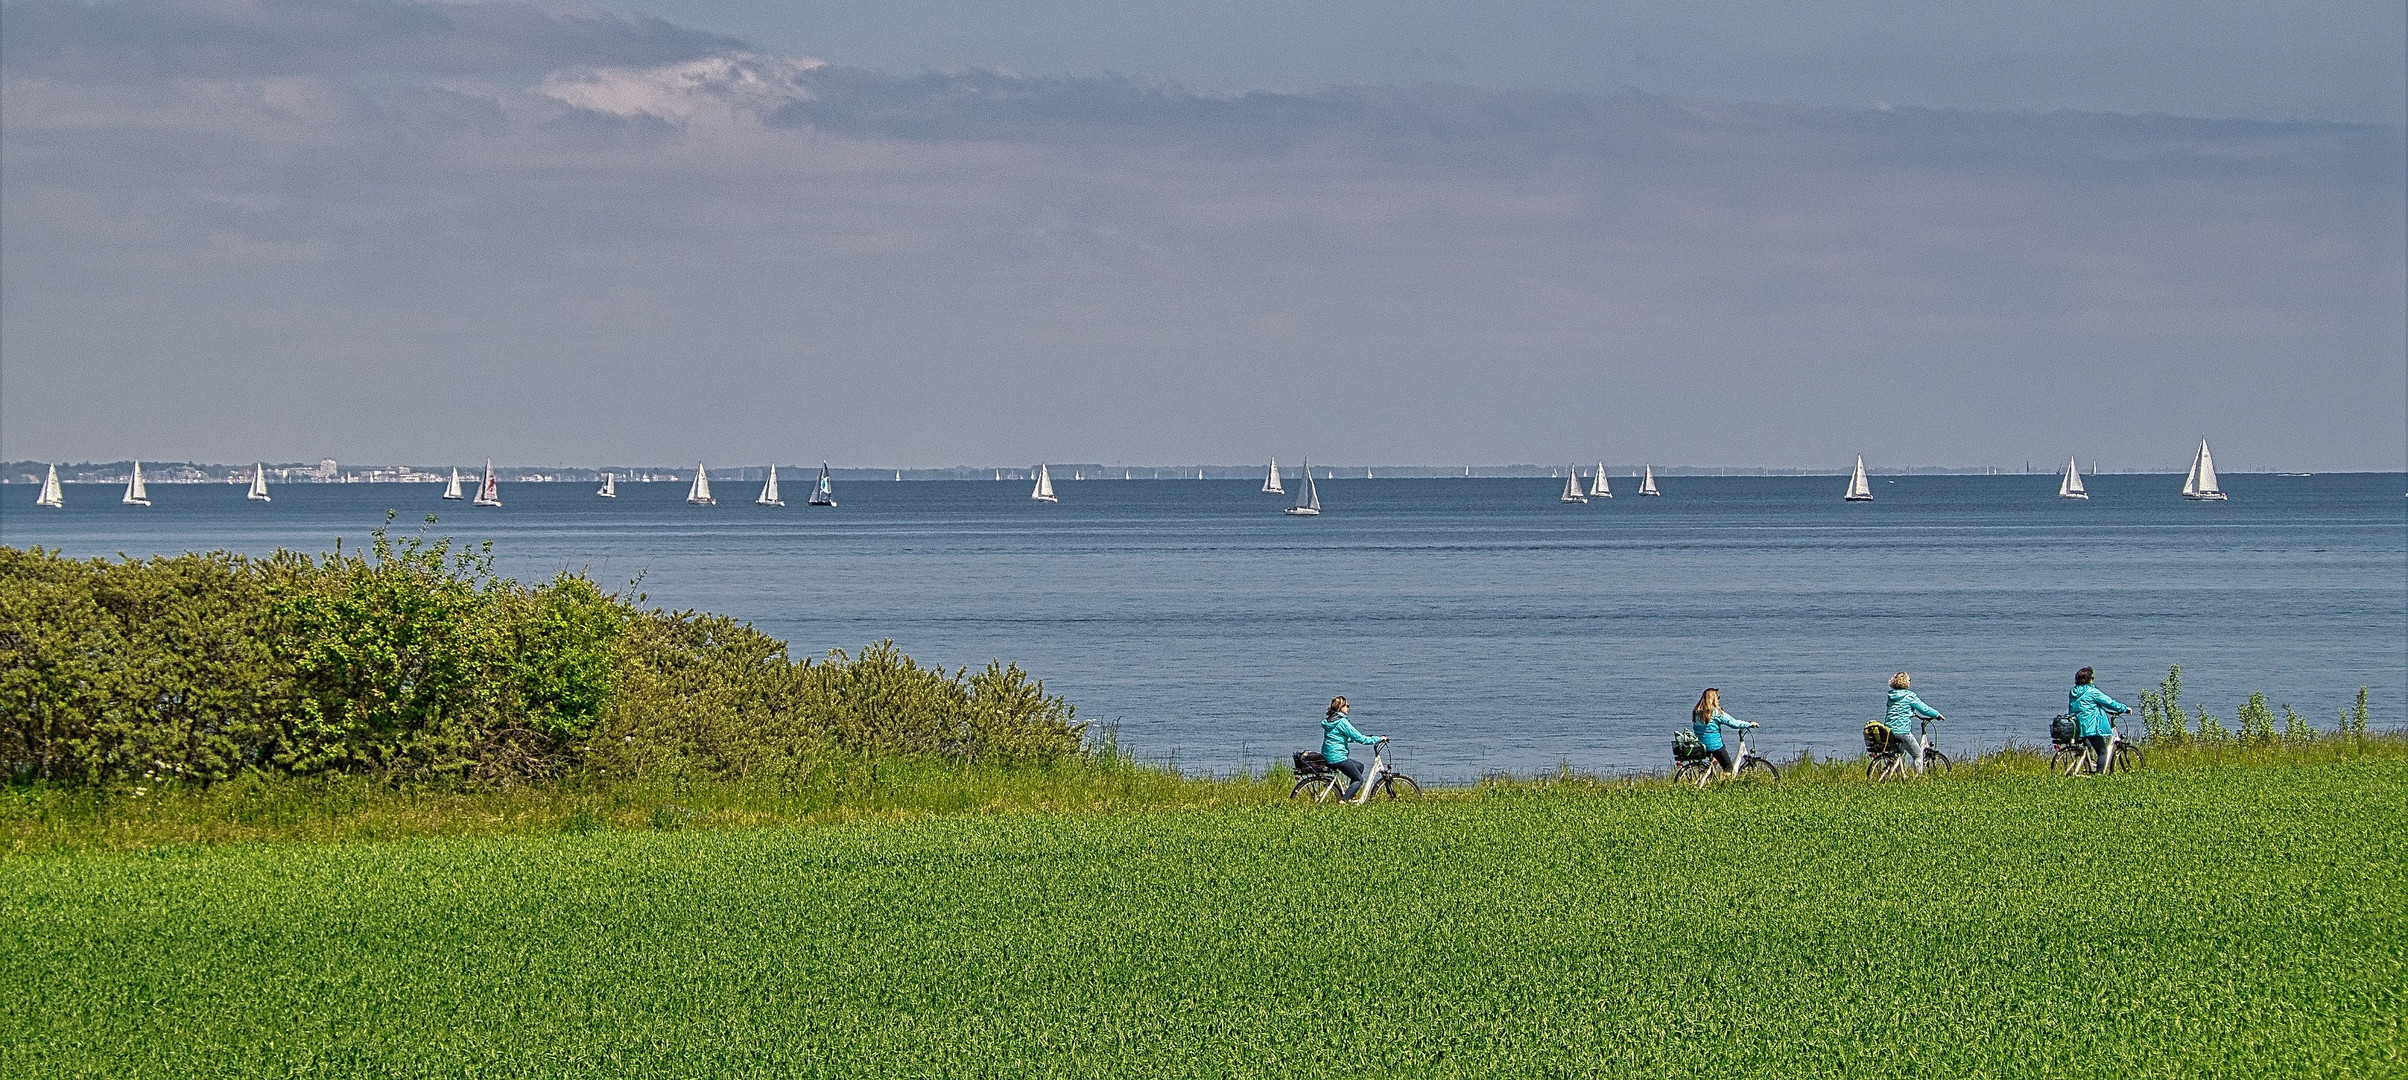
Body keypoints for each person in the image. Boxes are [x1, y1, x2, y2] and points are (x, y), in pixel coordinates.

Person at [2068, 667, 2131, 774]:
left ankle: (2088, 767)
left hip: (2078, 726)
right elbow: (2109, 702)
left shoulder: (2073, 692)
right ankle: (2099, 776)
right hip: (2091, 727)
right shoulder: (2092, 691)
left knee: (2088, 749)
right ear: (2090, 679)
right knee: (2103, 752)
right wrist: (2125, 708)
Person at [1320, 696, 1384, 799]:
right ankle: (1343, 801)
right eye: (1347, 705)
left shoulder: (1330, 721)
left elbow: (1338, 737)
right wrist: (1378, 739)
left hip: (1328, 754)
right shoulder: (1342, 722)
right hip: (1338, 757)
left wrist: (1359, 738)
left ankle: (1351, 794)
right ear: (1341, 707)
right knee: (1359, 779)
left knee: (1359, 766)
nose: (1348, 708)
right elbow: (1360, 738)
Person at [1884, 672, 1945, 773]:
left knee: (1899, 754)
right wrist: (1937, 715)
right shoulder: (1909, 696)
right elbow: (1924, 709)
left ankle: (1897, 774)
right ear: (1906, 683)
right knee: (1917, 755)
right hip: (1902, 731)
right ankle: (1917, 779)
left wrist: (1909, 712)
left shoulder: (1891, 696)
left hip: (1889, 731)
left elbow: (1897, 710)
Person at [1690, 688, 1757, 774]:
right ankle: (1723, 785)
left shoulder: (1697, 712)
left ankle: (1708, 778)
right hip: (1714, 746)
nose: (1718, 700)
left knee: (1715, 759)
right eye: (1718, 697)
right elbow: (1733, 723)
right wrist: (1749, 724)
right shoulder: (1715, 713)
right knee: (1728, 767)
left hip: (1701, 745)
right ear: (1713, 699)